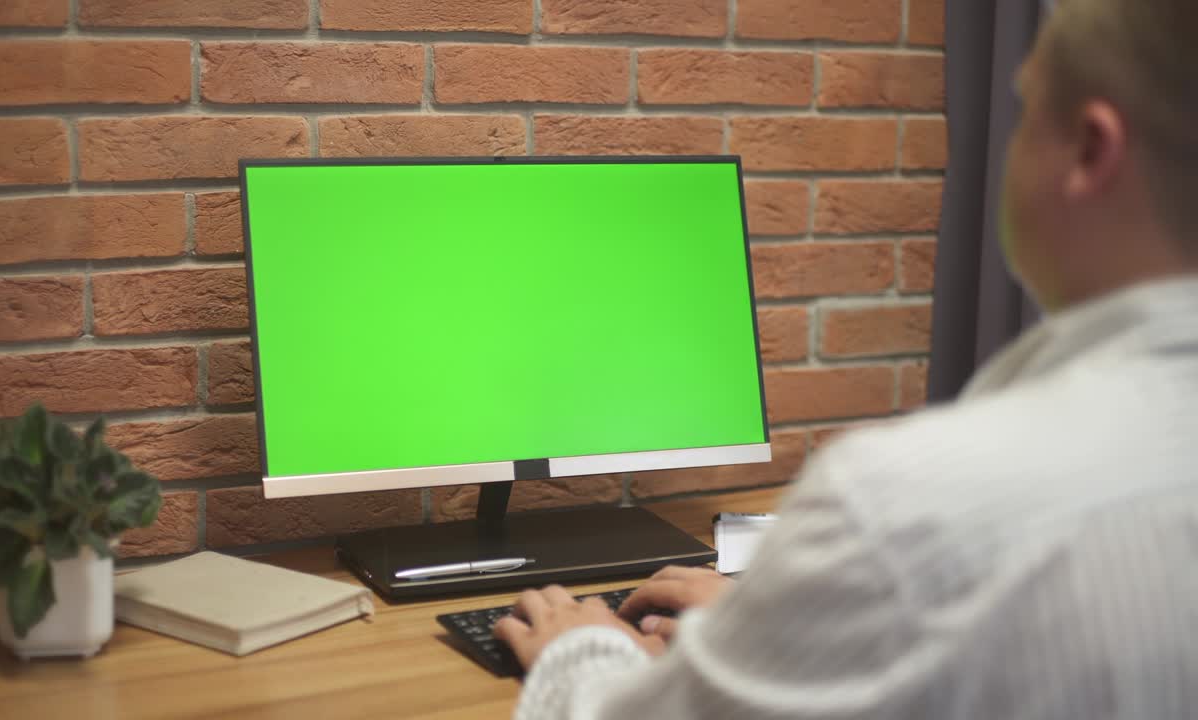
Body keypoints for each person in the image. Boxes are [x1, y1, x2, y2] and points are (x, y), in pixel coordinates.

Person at [493, 0, 1198, 717]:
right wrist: (784, 626)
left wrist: (579, 650)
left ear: (1089, 149)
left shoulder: (897, 512)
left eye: (1025, 114)